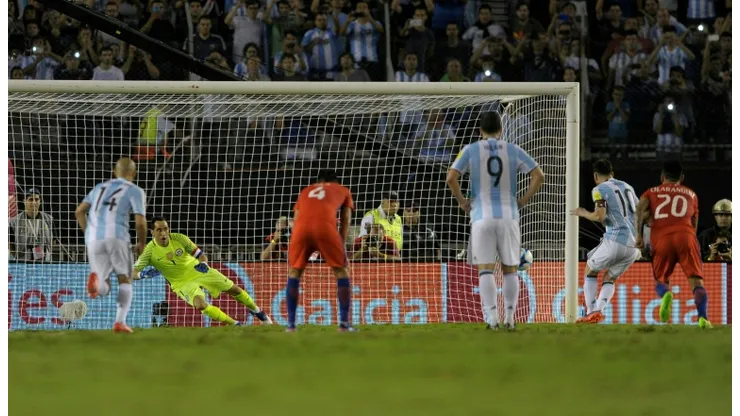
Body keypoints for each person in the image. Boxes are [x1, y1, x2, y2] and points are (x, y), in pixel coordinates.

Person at [446, 112, 545, 330]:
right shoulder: (513, 149)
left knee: (486, 269)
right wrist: (523, 200)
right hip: (509, 215)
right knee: (510, 269)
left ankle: (492, 319)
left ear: (480, 131)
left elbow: (451, 177)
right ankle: (509, 318)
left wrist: (463, 202)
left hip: (481, 216)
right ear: (501, 130)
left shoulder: (470, 149)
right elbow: (539, 175)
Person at [134, 217, 272, 326]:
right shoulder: (149, 251)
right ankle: (235, 324)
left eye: (165, 229)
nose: (164, 233)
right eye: (159, 230)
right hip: (181, 283)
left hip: (197, 270)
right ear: (152, 232)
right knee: (200, 305)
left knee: (234, 289)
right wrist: (142, 274)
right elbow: (132, 273)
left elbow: (200, 255)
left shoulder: (179, 238)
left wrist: (204, 263)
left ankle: (258, 311)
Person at [74, 158, 148, 333]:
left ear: (115, 172)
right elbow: (140, 223)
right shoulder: (135, 190)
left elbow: (79, 211)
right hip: (117, 236)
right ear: (134, 173)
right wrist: (142, 242)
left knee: (104, 287)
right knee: (125, 278)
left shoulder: (99, 187)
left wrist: (89, 233)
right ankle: (120, 322)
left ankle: (97, 284)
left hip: (93, 238)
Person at [635, 161, 710, 328]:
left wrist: (639, 235)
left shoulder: (651, 192)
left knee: (661, 281)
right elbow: (694, 223)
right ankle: (703, 318)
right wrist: (690, 240)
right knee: (697, 281)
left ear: (662, 177)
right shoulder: (691, 194)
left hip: (662, 239)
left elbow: (639, 209)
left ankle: (666, 294)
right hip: (686, 236)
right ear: (681, 178)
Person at [570, 159, 641, 323]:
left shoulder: (599, 189)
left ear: (595, 176)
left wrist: (583, 213)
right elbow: (640, 212)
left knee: (590, 269)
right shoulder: (628, 187)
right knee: (609, 277)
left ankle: (590, 312)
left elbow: (599, 215)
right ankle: (598, 311)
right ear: (612, 173)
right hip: (633, 246)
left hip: (615, 240)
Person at [285, 169, 355, 332]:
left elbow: (296, 217)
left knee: (294, 271)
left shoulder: (306, 191)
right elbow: (346, 218)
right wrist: (341, 243)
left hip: (300, 230)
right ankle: (344, 324)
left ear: (318, 181)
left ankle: (291, 326)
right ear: (336, 182)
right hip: (325, 228)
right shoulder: (343, 190)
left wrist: (297, 239)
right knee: (341, 271)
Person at [9, 188, 54, 262]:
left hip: (45, 263)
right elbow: (9, 244)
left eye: (36, 199)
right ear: (24, 201)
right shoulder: (14, 222)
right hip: (23, 263)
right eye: (30, 199)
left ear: (40, 201)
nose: (34, 203)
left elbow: (54, 240)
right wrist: (19, 257)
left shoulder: (49, 219)